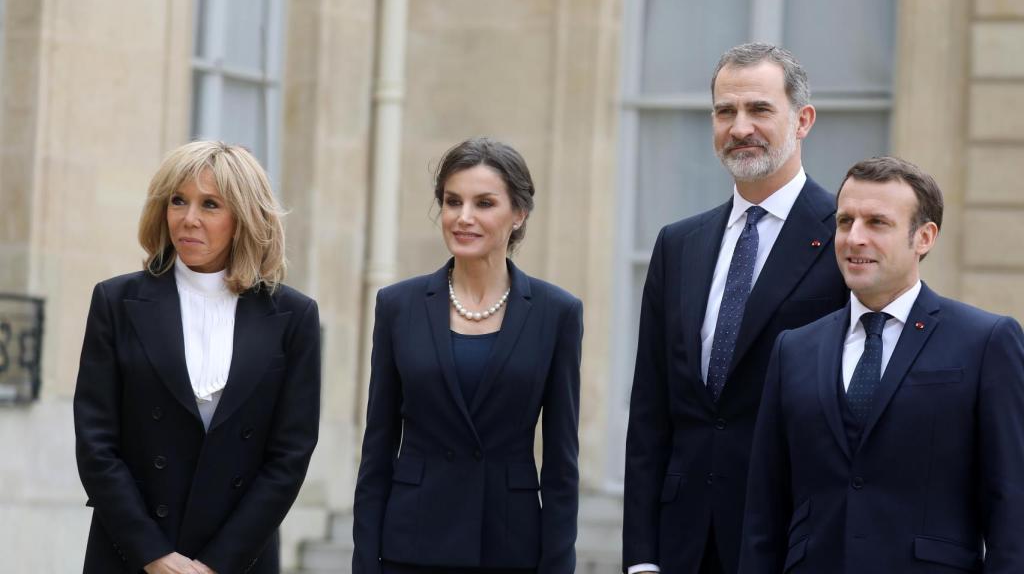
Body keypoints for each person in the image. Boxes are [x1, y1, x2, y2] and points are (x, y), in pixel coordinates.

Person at [622, 43, 848, 574]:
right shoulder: (679, 244)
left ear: (803, 119)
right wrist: (640, 557)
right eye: (726, 111)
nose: (740, 127)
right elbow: (651, 411)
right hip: (682, 545)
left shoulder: (846, 238)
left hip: (791, 540)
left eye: (759, 110)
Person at [739, 156, 1024, 573]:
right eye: (844, 221)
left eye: (877, 223)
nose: (854, 238)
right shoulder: (793, 349)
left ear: (924, 237)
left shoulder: (985, 341)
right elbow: (764, 511)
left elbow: (1012, 506)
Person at [74, 141, 321, 574]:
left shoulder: (293, 316)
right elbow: (96, 443)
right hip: (129, 554)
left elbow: (289, 457)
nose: (188, 219)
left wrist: (216, 564)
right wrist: (153, 555)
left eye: (210, 205)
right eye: (178, 201)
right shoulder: (116, 301)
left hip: (239, 559)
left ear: (243, 217)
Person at [352, 137, 583, 574]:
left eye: (484, 203)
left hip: (509, 548)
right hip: (411, 546)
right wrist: (366, 562)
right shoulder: (398, 306)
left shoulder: (558, 314)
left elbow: (560, 464)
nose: (464, 217)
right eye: (452, 201)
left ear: (519, 214)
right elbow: (377, 449)